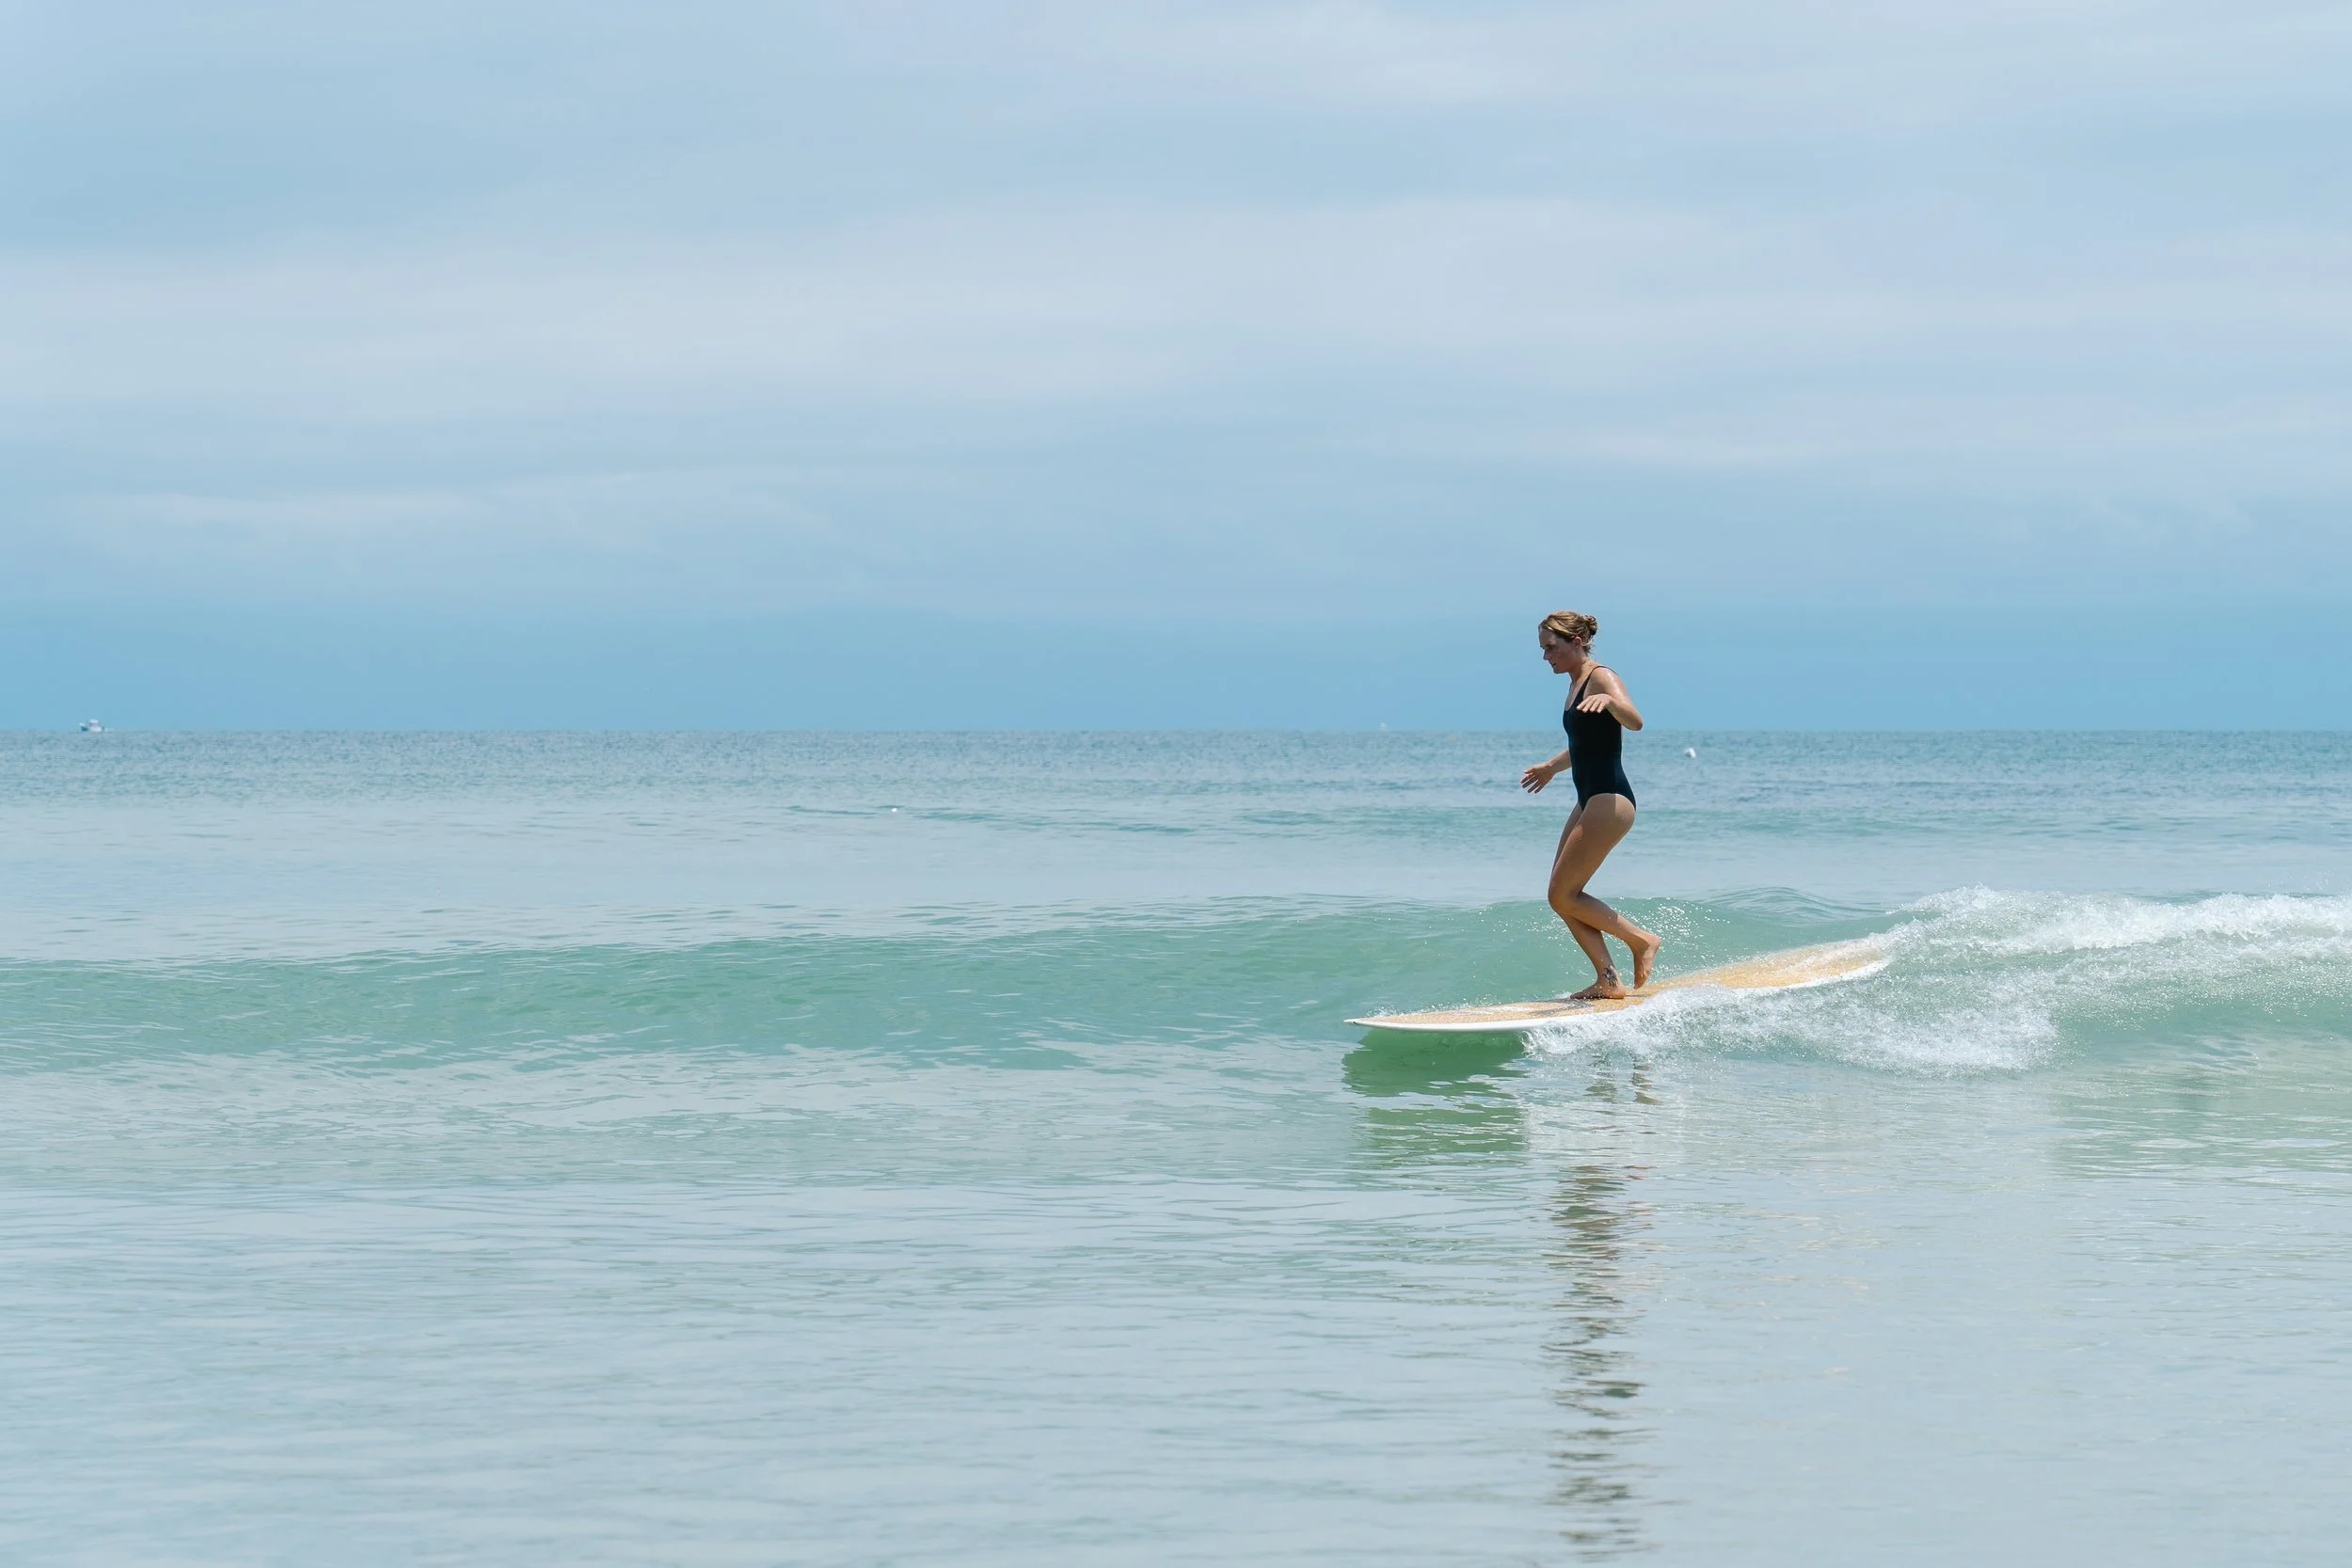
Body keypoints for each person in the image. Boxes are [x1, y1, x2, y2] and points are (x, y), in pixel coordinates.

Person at [1519, 611, 1661, 1000]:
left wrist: (1610, 700)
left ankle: (1642, 941)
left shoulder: (1601, 676)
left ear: (1576, 642)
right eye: (1543, 649)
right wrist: (1551, 767)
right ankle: (1609, 981)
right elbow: (1586, 745)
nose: (1546, 656)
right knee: (1561, 896)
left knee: (1563, 894)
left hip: (1609, 800)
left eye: (1552, 647)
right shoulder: (1574, 684)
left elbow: (1635, 721)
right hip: (1589, 799)